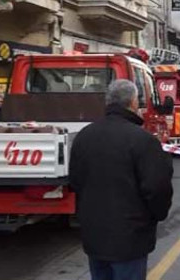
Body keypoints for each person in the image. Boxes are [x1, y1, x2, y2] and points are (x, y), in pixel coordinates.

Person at [69, 80, 173, 280]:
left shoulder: (84, 136)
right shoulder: (143, 140)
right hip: (130, 237)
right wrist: (156, 215)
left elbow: (75, 181)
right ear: (133, 102)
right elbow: (157, 187)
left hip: (95, 234)